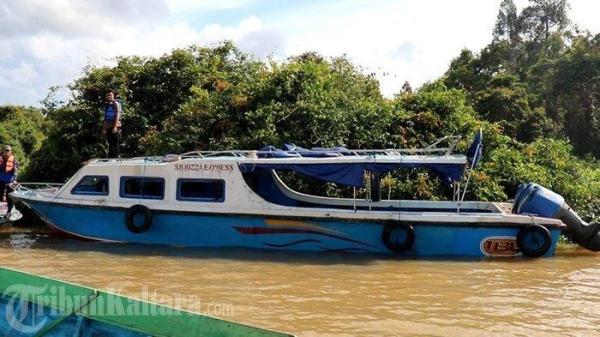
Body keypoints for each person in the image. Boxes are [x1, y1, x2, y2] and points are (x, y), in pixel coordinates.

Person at [102, 90, 122, 158]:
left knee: (115, 142)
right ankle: (111, 157)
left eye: (110, 95)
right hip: (108, 126)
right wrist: (104, 128)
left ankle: (116, 156)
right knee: (110, 143)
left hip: (115, 125)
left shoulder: (116, 103)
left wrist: (115, 126)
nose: (109, 96)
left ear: (113, 96)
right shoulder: (106, 105)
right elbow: (105, 117)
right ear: (106, 96)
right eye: (108, 95)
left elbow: (117, 115)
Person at [0, 145, 18, 216]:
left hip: (10, 181)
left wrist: (14, 180)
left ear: (11, 151)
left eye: (8, 150)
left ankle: (9, 211)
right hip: (0, 180)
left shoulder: (14, 159)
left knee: (9, 196)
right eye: (6, 150)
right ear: (3, 151)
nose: (7, 152)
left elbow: (15, 171)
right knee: (0, 195)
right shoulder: (0, 158)